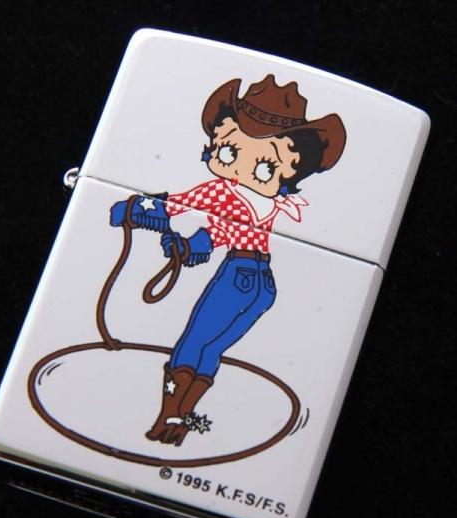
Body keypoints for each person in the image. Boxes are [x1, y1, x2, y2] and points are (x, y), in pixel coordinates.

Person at [110, 74, 346, 446]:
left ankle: (166, 420)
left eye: (264, 165)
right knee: (211, 349)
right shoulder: (271, 202)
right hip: (263, 285)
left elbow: (179, 207)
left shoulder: (223, 192)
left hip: (236, 277)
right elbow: (227, 230)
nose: (237, 167)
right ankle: (179, 422)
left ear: (290, 167)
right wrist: (190, 244)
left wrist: (133, 210)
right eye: (229, 152)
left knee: (191, 345)